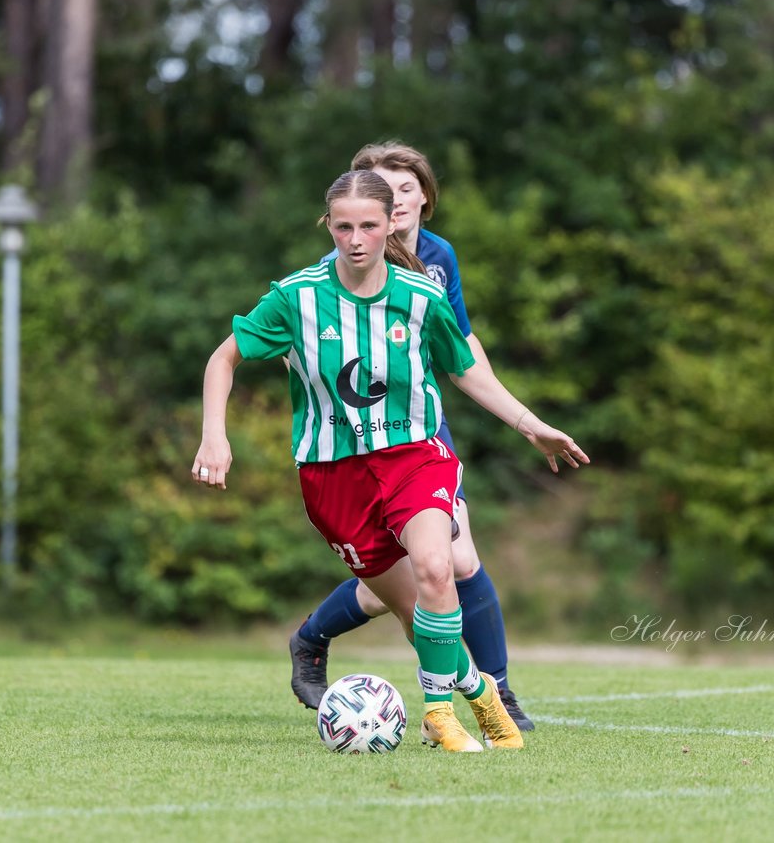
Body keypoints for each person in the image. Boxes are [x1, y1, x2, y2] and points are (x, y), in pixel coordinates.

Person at [192, 170, 589, 752]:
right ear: (328, 225)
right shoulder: (295, 297)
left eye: (369, 226)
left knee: (437, 566)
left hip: (414, 454)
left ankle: (439, 714)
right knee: (413, 614)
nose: (355, 239)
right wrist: (213, 436)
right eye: (343, 226)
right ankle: (477, 690)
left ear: (390, 226)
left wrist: (532, 426)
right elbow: (222, 360)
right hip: (334, 477)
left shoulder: (420, 295)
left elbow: (466, 368)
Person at [287, 142, 537, 730]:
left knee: (453, 562)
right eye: (381, 188)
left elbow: (462, 344)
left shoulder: (438, 256)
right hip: (352, 433)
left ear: (424, 195)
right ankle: (314, 639)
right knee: (401, 588)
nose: (394, 200)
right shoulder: (350, 253)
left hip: (420, 426)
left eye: (404, 189)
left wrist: (517, 414)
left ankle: (496, 694)